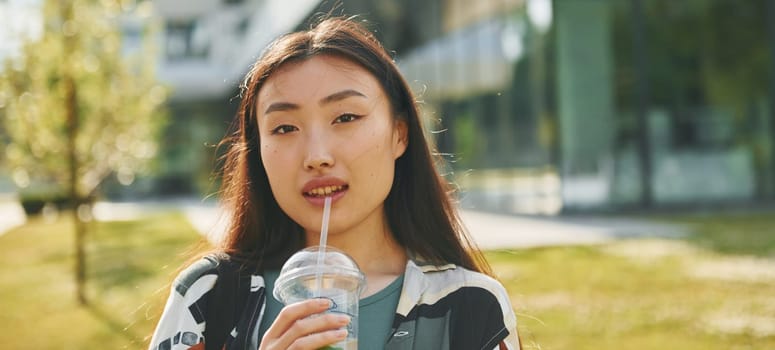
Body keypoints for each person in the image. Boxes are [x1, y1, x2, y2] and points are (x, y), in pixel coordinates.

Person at [148, 16, 520, 350]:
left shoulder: (470, 307)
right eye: (284, 128)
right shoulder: (209, 298)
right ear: (259, 151)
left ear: (399, 134)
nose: (316, 155)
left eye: (345, 117)